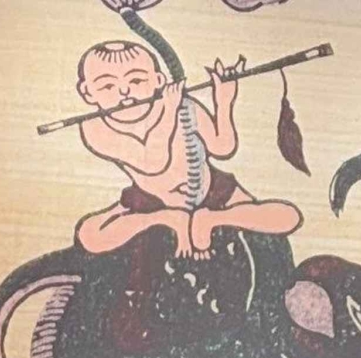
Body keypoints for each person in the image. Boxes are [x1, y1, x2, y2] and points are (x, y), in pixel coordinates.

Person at [73, 39, 302, 258]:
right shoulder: (95, 128)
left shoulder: (184, 106)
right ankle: (167, 219)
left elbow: (222, 147)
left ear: (158, 80)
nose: (124, 91)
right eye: (107, 85)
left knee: (287, 217)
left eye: (136, 81)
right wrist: (170, 112)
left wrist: (223, 101)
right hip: (152, 199)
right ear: (87, 92)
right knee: (90, 236)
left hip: (210, 187)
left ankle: (213, 219)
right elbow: (153, 163)